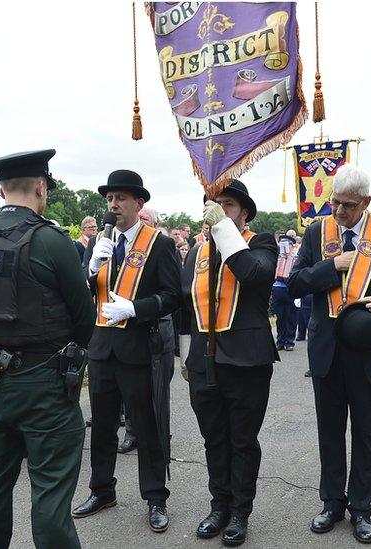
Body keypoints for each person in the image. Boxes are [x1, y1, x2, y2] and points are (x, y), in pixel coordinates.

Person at [0, 149, 96, 549]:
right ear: (41, 187)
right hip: (45, 387)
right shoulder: (49, 239)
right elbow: (86, 321)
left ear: (1, 189)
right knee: (51, 492)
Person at [288, 165, 371, 544]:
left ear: (366, 202)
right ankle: (331, 502)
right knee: (330, 432)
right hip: (328, 350)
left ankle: (361, 508)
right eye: (334, 202)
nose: (338, 211)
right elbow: (295, 283)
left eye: (347, 205)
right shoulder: (318, 231)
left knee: (364, 433)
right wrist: (332, 266)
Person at [74, 169, 180, 533]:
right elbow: (84, 293)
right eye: (109, 199)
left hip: (137, 347)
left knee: (146, 426)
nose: (113, 205)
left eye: (120, 198)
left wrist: (136, 308)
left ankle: (155, 497)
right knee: (102, 426)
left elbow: (172, 297)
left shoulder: (159, 244)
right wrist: (89, 269)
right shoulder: (99, 243)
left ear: (139, 202)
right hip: (103, 347)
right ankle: (102, 490)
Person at [178, 180, 278, 546]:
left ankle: (240, 511)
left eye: (228, 204)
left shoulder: (261, 242)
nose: (217, 210)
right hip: (204, 360)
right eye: (212, 204)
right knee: (213, 439)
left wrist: (223, 229)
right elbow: (185, 307)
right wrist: (187, 353)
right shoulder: (196, 253)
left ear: (244, 212)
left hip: (246, 361)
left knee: (242, 440)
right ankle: (218, 505)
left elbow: (254, 274)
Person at [118, 205, 178, 457]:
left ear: (152, 223)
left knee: (158, 387)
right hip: (123, 332)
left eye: (145, 219)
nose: (140, 221)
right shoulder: (114, 243)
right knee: (129, 390)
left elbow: (173, 292)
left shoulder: (161, 245)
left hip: (158, 326)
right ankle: (132, 431)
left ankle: (160, 436)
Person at [272, 232, 299, 351]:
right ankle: (280, 340)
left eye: (287, 244)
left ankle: (289, 341)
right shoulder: (276, 257)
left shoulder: (296, 258)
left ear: (292, 246)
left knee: (291, 315)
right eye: (282, 243)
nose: (284, 246)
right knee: (280, 316)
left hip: (290, 289)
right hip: (277, 288)